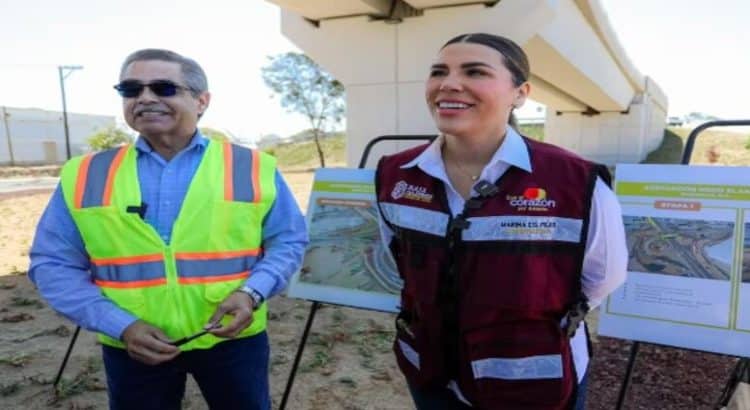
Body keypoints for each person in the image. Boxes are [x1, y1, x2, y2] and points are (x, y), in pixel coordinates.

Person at [29, 49, 307, 409]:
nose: (145, 97)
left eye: (163, 87)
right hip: (132, 346)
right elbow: (52, 263)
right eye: (131, 89)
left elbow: (288, 240)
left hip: (233, 343)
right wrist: (119, 324)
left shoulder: (253, 166)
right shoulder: (85, 173)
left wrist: (251, 293)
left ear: (201, 101)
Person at [375, 33, 627, 409]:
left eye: (475, 71)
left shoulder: (576, 180)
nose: (449, 83)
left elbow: (604, 277)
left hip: (533, 383)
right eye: (439, 72)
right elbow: (397, 257)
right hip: (431, 373)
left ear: (520, 94)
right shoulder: (395, 174)